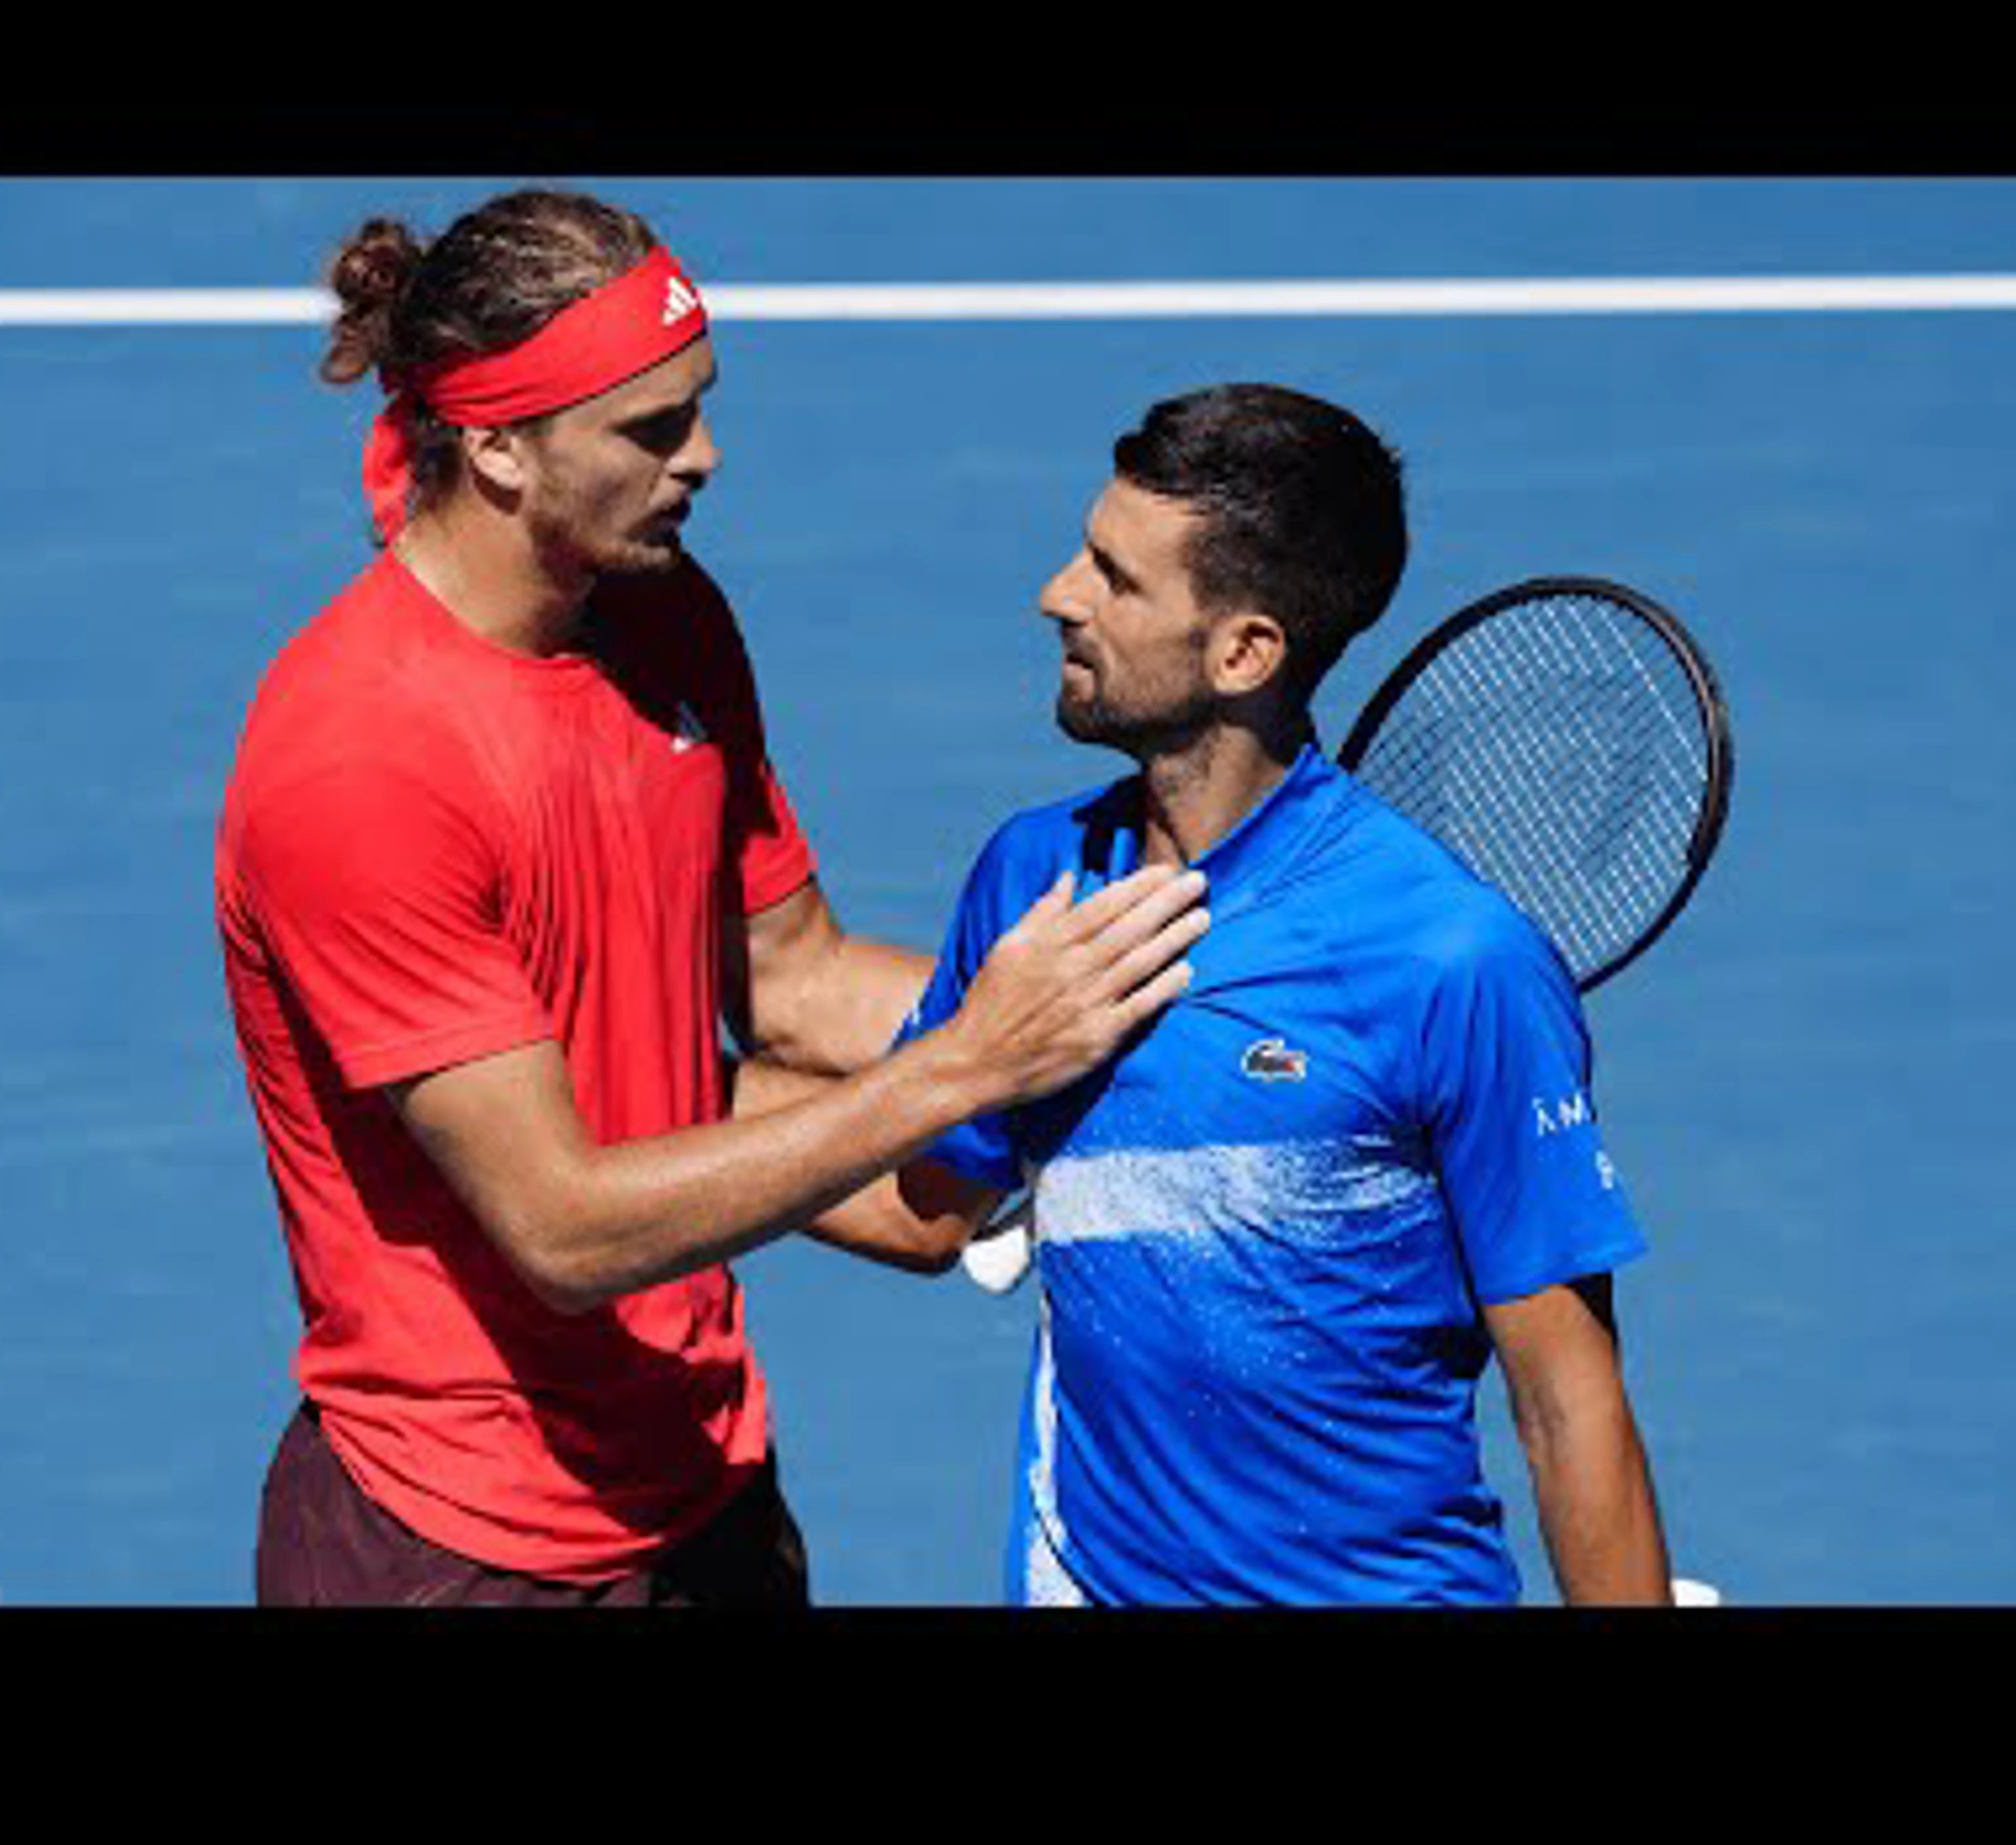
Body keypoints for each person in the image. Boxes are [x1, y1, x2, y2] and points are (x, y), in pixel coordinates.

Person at [212, 187, 1209, 1607]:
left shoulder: (664, 614)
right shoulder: (358, 764)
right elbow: (561, 1228)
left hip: (704, 1481)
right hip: (456, 1543)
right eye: (651, 430)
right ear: (496, 445)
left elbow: (791, 982)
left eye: (700, 407)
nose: (706, 458)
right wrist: (972, 1068)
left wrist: (1146, 989)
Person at [743, 383, 1674, 1606]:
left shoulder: (1448, 960)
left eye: (1115, 579)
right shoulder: (1035, 879)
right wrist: (643, 1065)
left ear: (1245, 651)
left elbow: (1567, 1402)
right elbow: (924, 1209)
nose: (1058, 595)